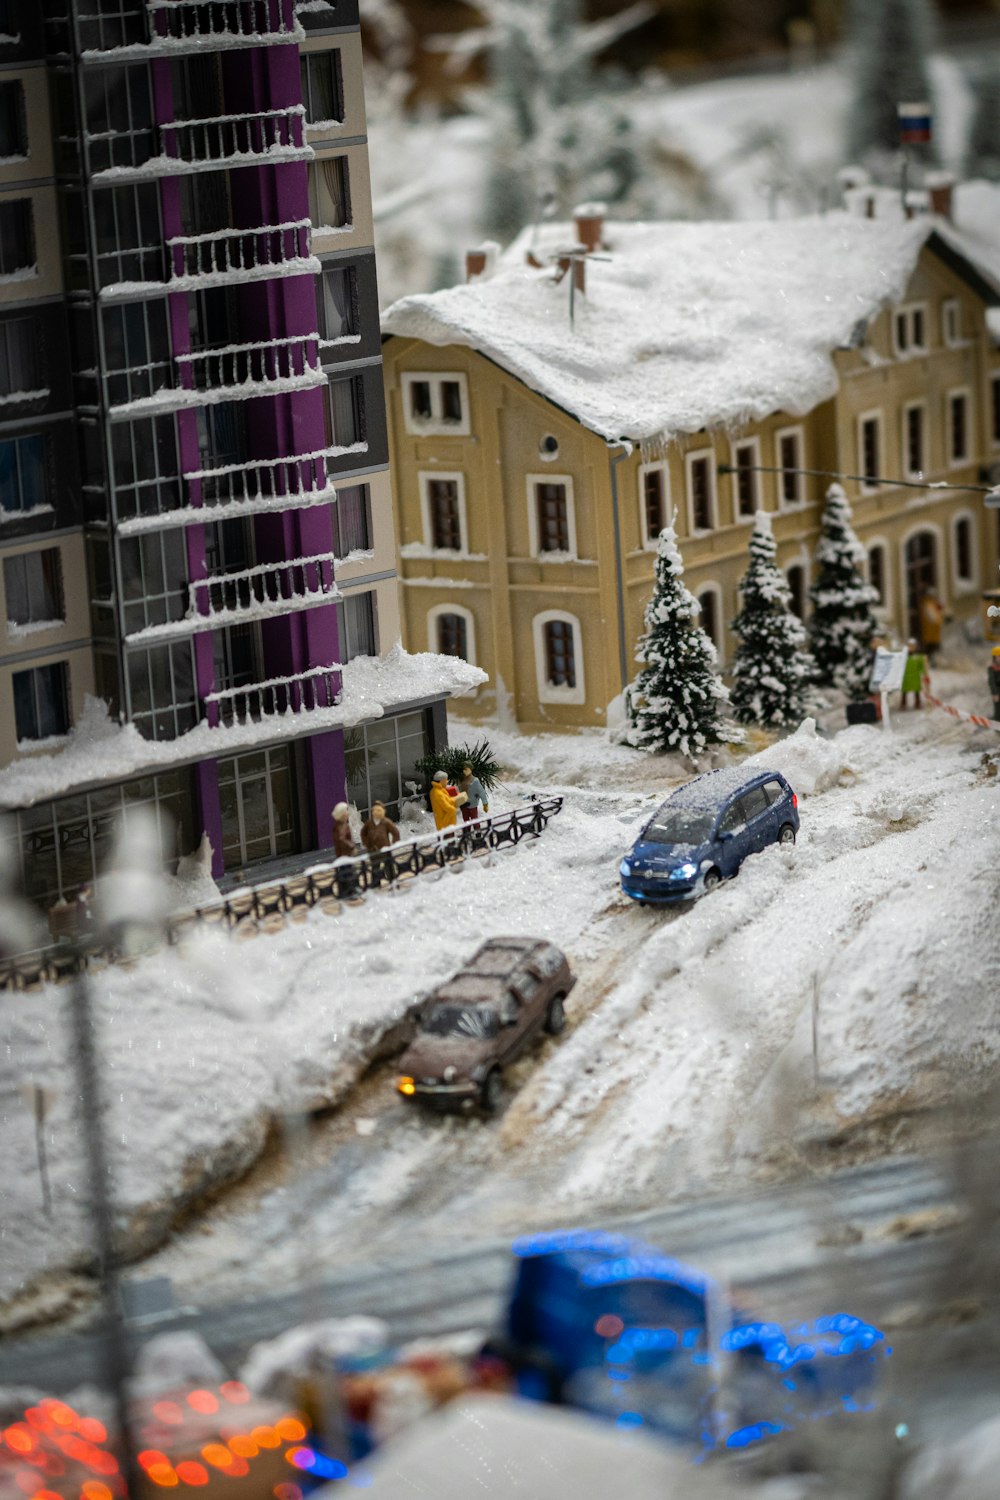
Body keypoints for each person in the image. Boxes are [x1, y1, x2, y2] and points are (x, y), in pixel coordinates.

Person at [899, 638, 926, 710]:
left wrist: (925, 674)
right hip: (906, 677)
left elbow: (922, 667)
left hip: (915, 677)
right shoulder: (903, 657)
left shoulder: (918, 657)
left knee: (916, 691)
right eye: (910, 646)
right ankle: (903, 704)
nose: (911, 648)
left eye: (913, 646)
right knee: (904, 691)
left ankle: (917, 703)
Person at [918, 588, 944, 663]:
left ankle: (934, 661)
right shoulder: (927, 604)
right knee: (930, 648)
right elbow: (932, 618)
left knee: (935, 647)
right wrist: (939, 620)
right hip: (930, 632)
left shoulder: (933, 603)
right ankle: (930, 662)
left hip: (935, 632)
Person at [989, 646, 1000, 721]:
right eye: (998, 656)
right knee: (998, 709)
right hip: (997, 691)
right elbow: (992, 682)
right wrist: (994, 693)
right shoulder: (992, 668)